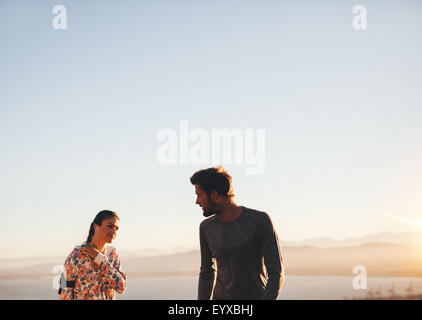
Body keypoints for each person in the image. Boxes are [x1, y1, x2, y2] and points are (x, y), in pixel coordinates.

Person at [190, 166, 284, 300]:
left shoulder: (259, 221)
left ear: (214, 194)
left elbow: (276, 273)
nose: (197, 201)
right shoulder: (206, 227)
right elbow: (207, 273)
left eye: (199, 195)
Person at [58, 210, 127, 300]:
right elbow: (64, 292)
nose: (114, 232)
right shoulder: (77, 255)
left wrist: (100, 259)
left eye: (116, 228)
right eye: (110, 226)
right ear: (96, 226)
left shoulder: (112, 254)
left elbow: (121, 288)